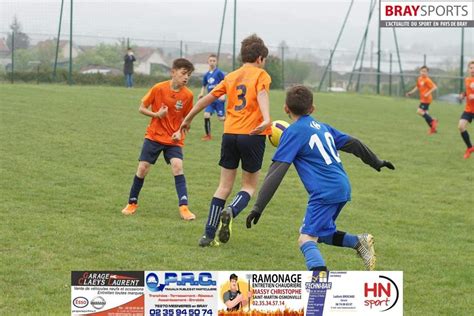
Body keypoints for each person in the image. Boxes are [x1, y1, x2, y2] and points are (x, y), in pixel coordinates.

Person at [246, 85, 395, 271]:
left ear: (286, 108)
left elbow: (276, 171)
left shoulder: (292, 133)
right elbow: (354, 143)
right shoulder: (323, 128)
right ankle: (359, 242)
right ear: (312, 109)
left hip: (324, 192)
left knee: (306, 239)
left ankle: (319, 287)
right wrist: (376, 162)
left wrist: (258, 207)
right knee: (321, 233)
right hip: (342, 187)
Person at [179, 34, 271, 247]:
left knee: (223, 186)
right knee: (248, 186)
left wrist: (187, 118)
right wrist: (266, 117)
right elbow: (262, 94)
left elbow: (207, 99)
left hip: (230, 134)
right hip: (253, 135)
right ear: (259, 58)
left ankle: (208, 235)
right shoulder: (261, 74)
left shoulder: (230, 77)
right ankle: (231, 210)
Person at [121, 58, 196, 221]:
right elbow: (141, 108)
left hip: (173, 140)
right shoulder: (158, 88)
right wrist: (156, 115)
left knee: (178, 166)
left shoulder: (188, 95)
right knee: (142, 168)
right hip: (154, 136)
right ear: (173, 72)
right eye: (183, 73)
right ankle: (132, 203)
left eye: (188, 75)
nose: (186, 78)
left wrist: (180, 133)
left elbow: (187, 121)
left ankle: (184, 207)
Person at [198, 54, 226, 141]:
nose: (212, 62)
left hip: (218, 99)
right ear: (208, 62)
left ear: (216, 62)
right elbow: (204, 85)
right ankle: (208, 135)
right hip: (210, 99)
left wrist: (223, 95)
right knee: (206, 115)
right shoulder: (206, 74)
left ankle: (233, 126)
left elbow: (226, 83)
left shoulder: (219, 73)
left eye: (214, 61)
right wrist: (201, 93)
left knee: (221, 118)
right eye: (211, 61)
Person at [406, 65, 438, 134]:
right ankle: (433, 129)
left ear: (427, 73)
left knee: (419, 111)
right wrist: (410, 92)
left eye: (425, 71)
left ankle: (433, 120)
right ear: (420, 71)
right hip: (423, 98)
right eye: (422, 71)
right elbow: (417, 87)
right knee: (426, 114)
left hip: (427, 99)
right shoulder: (420, 78)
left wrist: (427, 93)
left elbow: (434, 87)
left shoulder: (427, 80)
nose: (423, 73)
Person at [458, 60, 474, 159]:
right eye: (471, 68)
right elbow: (467, 91)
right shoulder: (467, 79)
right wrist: (463, 95)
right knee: (461, 126)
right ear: (468, 69)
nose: (473, 69)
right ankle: (470, 147)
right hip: (469, 109)